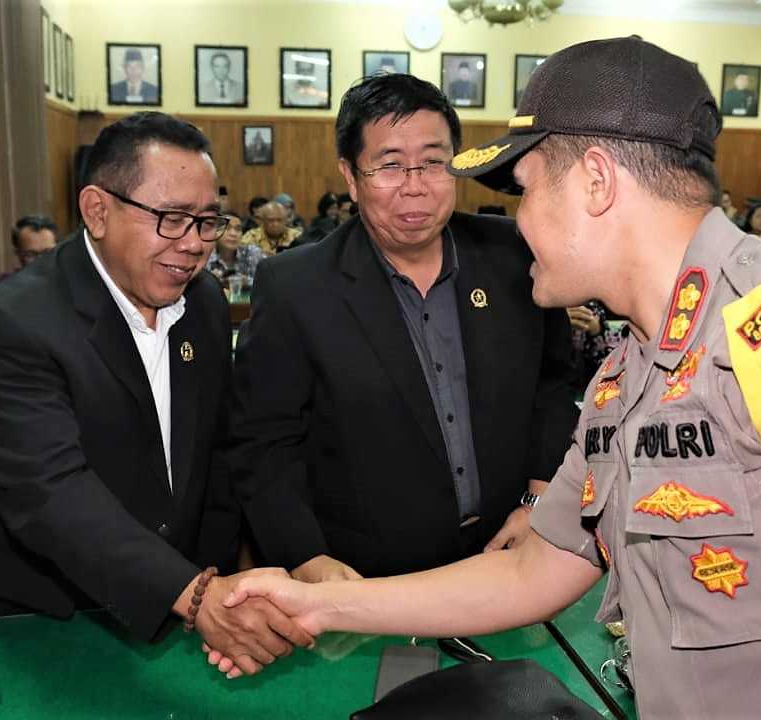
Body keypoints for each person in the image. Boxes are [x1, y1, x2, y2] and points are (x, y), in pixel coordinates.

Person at [211, 38, 761, 720]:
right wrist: (317, 603)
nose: (514, 222)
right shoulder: (632, 368)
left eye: (524, 191)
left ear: (595, 181)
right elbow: (533, 566)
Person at [0, 112, 312, 674]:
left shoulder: (203, 305)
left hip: (167, 615)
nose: (194, 245)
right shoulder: (8, 321)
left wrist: (216, 589)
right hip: (31, 622)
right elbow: (51, 494)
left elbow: (216, 459)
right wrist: (195, 595)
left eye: (207, 221)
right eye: (172, 219)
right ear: (97, 210)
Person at [228, 71, 576, 588]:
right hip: (365, 577)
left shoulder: (512, 256)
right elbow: (265, 443)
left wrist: (539, 497)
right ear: (350, 176)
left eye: (433, 163)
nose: (414, 187)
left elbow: (554, 385)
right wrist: (305, 555)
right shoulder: (297, 286)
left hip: (507, 554)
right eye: (389, 165)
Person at [0, 214, 59, 290]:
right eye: (31, 254)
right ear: (18, 254)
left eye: (48, 252)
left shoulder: (69, 282)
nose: (41, 260)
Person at [207, 212, 263, 288]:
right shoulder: (206, 255)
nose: (233, 234)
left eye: (238, 229)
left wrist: (247, 282)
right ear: (215, 231)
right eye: (227, 228)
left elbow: (266, 281)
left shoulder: (252, 253)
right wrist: (211, 280)